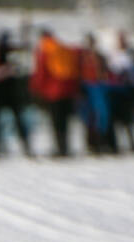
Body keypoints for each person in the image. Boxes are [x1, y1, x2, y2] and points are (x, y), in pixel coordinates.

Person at [30, 29, 79, 157]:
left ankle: (59, 148)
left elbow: (41, 72)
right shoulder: (63, 48)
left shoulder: (44, 51)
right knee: (65, 121)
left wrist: (36, 88)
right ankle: (66, 147)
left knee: (55, 121)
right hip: (67, 90)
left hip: (52, 91)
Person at [0, 31, 32, 157]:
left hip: (9, 92)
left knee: (16, 118)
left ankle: (25, 144)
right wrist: (8, 69)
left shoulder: (8, 52)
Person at [108, 32, 134, 153]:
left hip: (127, 91)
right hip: (116, 91)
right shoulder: (114, 54)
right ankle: (118, 144)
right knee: (117, 120)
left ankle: (132, 143)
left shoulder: (131, 54)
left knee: (128, 120)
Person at [78, 33, 111, 154]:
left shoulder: (99, 56)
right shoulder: (82, 57)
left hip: (97, 86)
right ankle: (91, 142)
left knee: (101, 115)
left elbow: (104, 72)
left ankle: (101, 141)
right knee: (89, 116)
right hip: (87, 87)